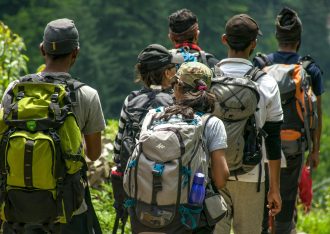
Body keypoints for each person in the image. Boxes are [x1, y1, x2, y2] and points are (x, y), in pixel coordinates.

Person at [1, 18, 106, 234]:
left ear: (42, 49)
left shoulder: (15, 90)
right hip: (68, 210)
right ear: (75, 52)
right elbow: (94, 154)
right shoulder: (87, 95)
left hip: (16, 208)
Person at [127, 62, 229, 233]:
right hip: (191, 215)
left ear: (176, 87)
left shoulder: (153, 116)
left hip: (147, 209)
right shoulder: (211, 123)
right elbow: (220, 178)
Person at [254, 7, 325, 234]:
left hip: (264, 145)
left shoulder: (261, 66)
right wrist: (315, 150)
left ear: (277, 37)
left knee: (265, 195)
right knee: (287, 195)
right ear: (299, 39)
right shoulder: (309, 69)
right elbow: (316, 114)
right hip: (295, 145)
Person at [213, 14, 283, 234]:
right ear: (254, 44)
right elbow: (273, 138)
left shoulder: (209, 80)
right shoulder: (267, 82)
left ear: (225, 40)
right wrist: (274, 189)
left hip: (214, 174)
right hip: (252, 175)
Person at [111, 43, 183, 233]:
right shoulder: (176, 103)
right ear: (167, 73)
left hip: (137, 185)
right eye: (173, 68)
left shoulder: (131, 100)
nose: (176, 71)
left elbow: (118, 149)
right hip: (171, 182)